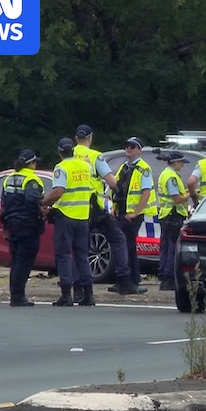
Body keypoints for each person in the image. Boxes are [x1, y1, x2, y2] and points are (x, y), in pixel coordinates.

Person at [72, 124, 130, 300]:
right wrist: (120, 189)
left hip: (75, 208)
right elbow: (112, 182)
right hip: (95, 207)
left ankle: (77, 288)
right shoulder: (95, 156)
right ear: (90, 138)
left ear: (76, 139)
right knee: (118, 239)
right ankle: (123, 280)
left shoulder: (69, 154)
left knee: (79, 249)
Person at [41, 138, 95, 306]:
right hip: (83, 216)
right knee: (82, 256)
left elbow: (58, 191)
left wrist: (43, 203)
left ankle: (66, 295)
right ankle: (88, 295)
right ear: (73, 150)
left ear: (59, 152)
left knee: (64, 255)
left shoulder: (61, 168)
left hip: (66, 215)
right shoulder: (86, 166)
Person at [0, 149, 46, 307]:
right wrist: (43, 210)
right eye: (35, 162)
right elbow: (33, 199)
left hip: (12, 224)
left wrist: (5, 225)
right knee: (24, 261)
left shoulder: (9, 178)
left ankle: (16, 295)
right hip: (27, 225)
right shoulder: (32, 179)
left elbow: (4, 203)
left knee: (16, 260)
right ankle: (18, 297)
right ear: (31, 164)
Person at [112, 137, 157, 294]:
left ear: (139, 150)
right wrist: (115, 208)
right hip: (122, 212)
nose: (129, 149)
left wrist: (136, 212)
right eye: (127, 146)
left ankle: (132, 281)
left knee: (128, 246)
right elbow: (117, 188)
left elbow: (146, 192)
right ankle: (125, 280)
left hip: (133, 215)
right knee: (124, 246)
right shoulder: (124, 167)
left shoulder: (143, 168)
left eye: (132, 146)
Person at [157, 151, 191, 291]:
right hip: (174, 215)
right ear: (175, 162)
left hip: (166, 215)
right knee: (172, 248)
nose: (182, 165)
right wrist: (190, 194)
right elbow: (177, 199)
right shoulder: (171, 177)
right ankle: (169, 277)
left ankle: (164, 276)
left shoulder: (165, 174)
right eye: (181, 162)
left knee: (165, 247)